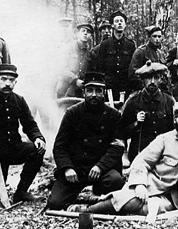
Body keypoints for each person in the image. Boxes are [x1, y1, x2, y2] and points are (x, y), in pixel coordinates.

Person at [67, 101, 178, 217]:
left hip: (174, 200)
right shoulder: (164, 139)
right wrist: (140, 184)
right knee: (132, 201)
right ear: (174, 120)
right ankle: (87, 210)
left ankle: (100, 201)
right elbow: (142, 161)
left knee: (146, 209)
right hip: (149, 187)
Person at [47, 72, 125, 210]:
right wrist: (67, 168)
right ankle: (74, 192)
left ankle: (96, 193)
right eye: (89, 90)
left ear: (104, 92)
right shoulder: (72, 113)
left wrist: (100, 166)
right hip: (76, 170)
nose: (94, 95)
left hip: (100, 170)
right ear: (83, 92)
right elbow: (60, 145)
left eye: (98, 91)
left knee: (115, 181)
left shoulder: (114, 115)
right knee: (55, 203)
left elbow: (117, 147)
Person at [0, 64, 46, 203]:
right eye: (4, 79)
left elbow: (29, 124)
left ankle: (21, 192)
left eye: (11, 80)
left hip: (14, 148)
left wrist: (38, 137)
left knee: (36, 150)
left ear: (15, 82)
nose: (8, 83)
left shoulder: (19, 100)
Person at [120, 61, 175, 162]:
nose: (152, 81)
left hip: (163, 154)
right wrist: (136, 123)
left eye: (156, 78)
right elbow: (122, 131)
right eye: (148, 78)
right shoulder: (133, 101)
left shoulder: (168, 101)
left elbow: (174, 130)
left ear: (161, 79)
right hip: (139, 155)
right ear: (143, 79)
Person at [90, 10, 136, 101]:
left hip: (125, 87)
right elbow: (100, 67)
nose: (119, 23)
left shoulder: (130, 45)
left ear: (125, 25)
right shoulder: (105, 44)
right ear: (112, 25)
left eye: (121, 21)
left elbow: (132, 67)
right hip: (109, 87)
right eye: (117, 21)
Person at [56, 23, 94, 99]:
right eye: (83, 31)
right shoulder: (68, 48)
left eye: (88, 32)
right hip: (64, 90)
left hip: (79, 93)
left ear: (90, 36)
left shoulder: (90, 54)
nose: (85, 33)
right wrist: (75, 80)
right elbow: (61, 68)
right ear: (78, 34)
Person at [128, 25, 168, 92]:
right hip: (143, 91)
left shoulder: (160, 54)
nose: (157, 39)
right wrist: (146, 88)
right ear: (149, 37)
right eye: (154, 36)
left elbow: (163, 75)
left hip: (158, 92)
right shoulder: (141, 52)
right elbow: (133, 75)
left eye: (159, 36)